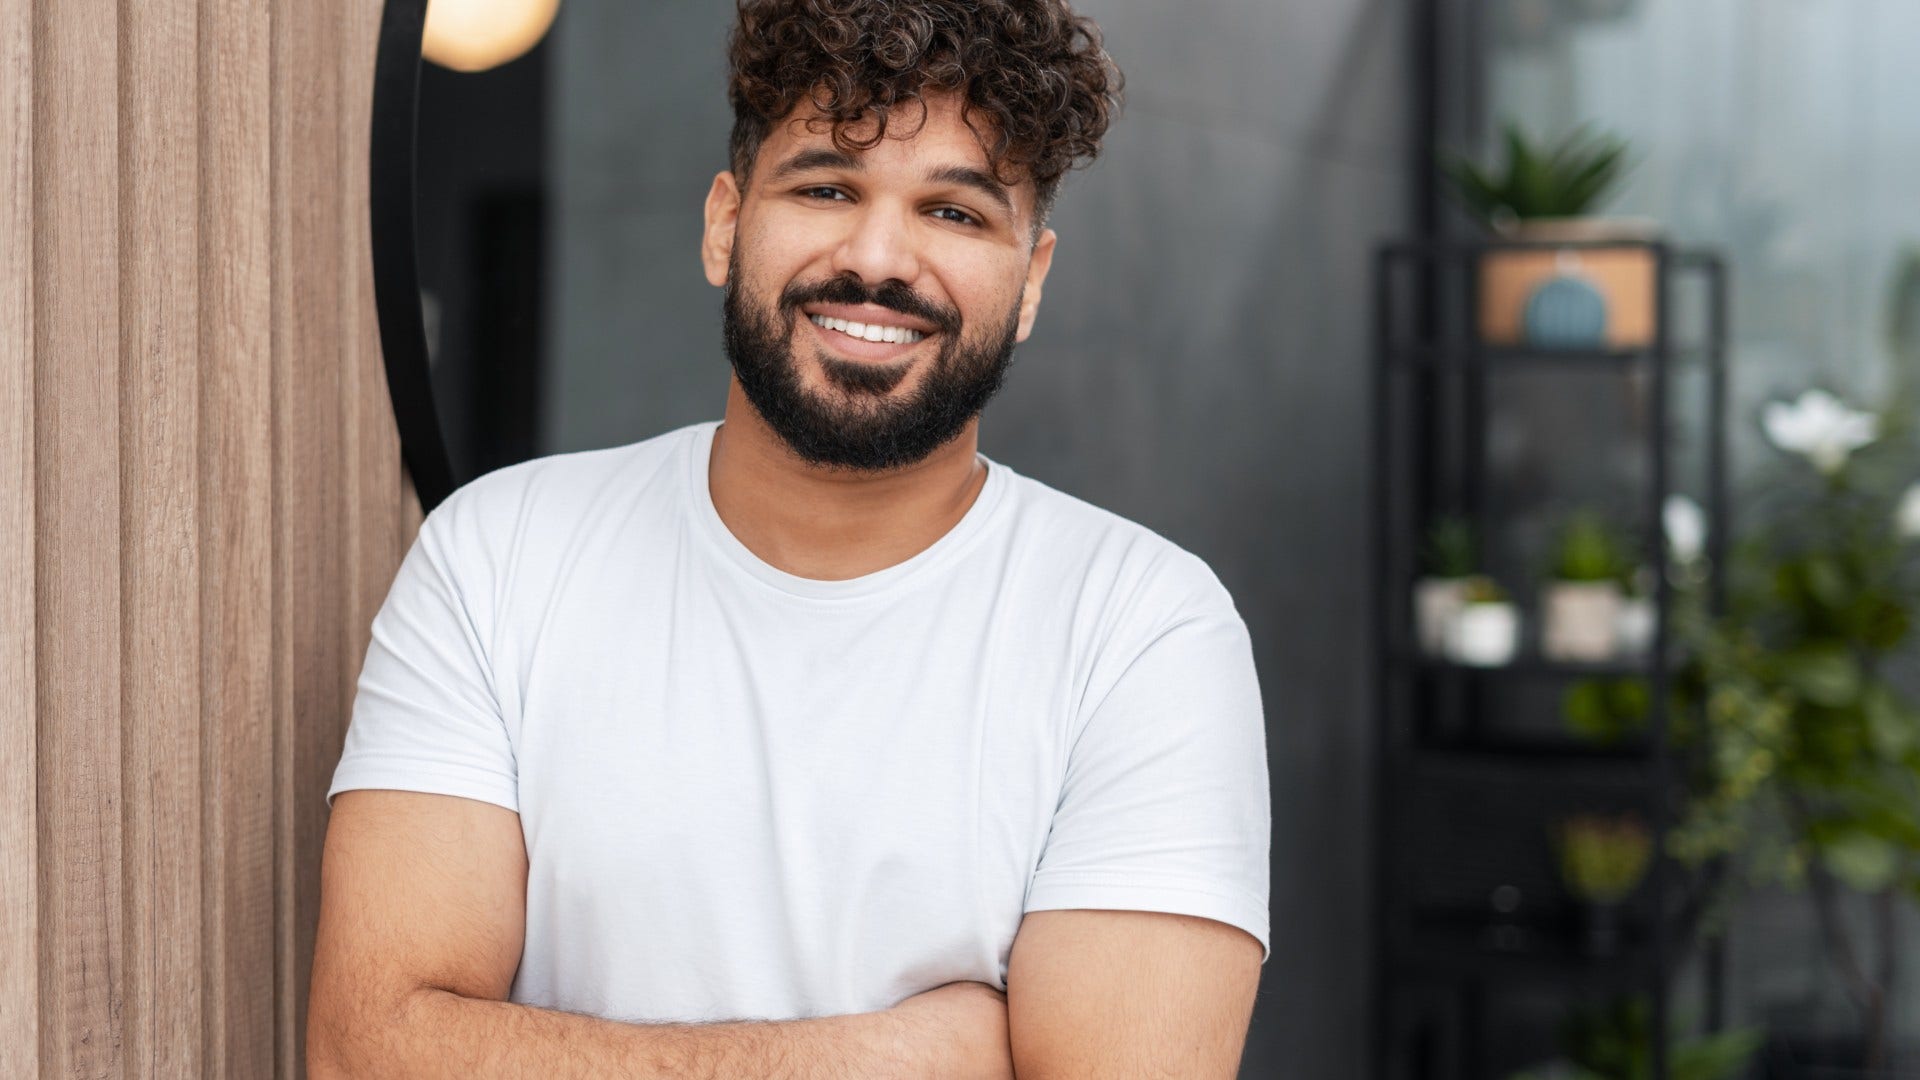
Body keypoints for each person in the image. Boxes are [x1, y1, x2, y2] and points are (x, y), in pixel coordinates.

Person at [308, 0, 1270, 1075]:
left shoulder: (1142, 633)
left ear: (1031, 279)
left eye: (954, 212)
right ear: (725, 225)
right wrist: (912, 1057)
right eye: (827, 188)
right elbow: (368, 1052)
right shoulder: (499, 560)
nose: (878, 258)